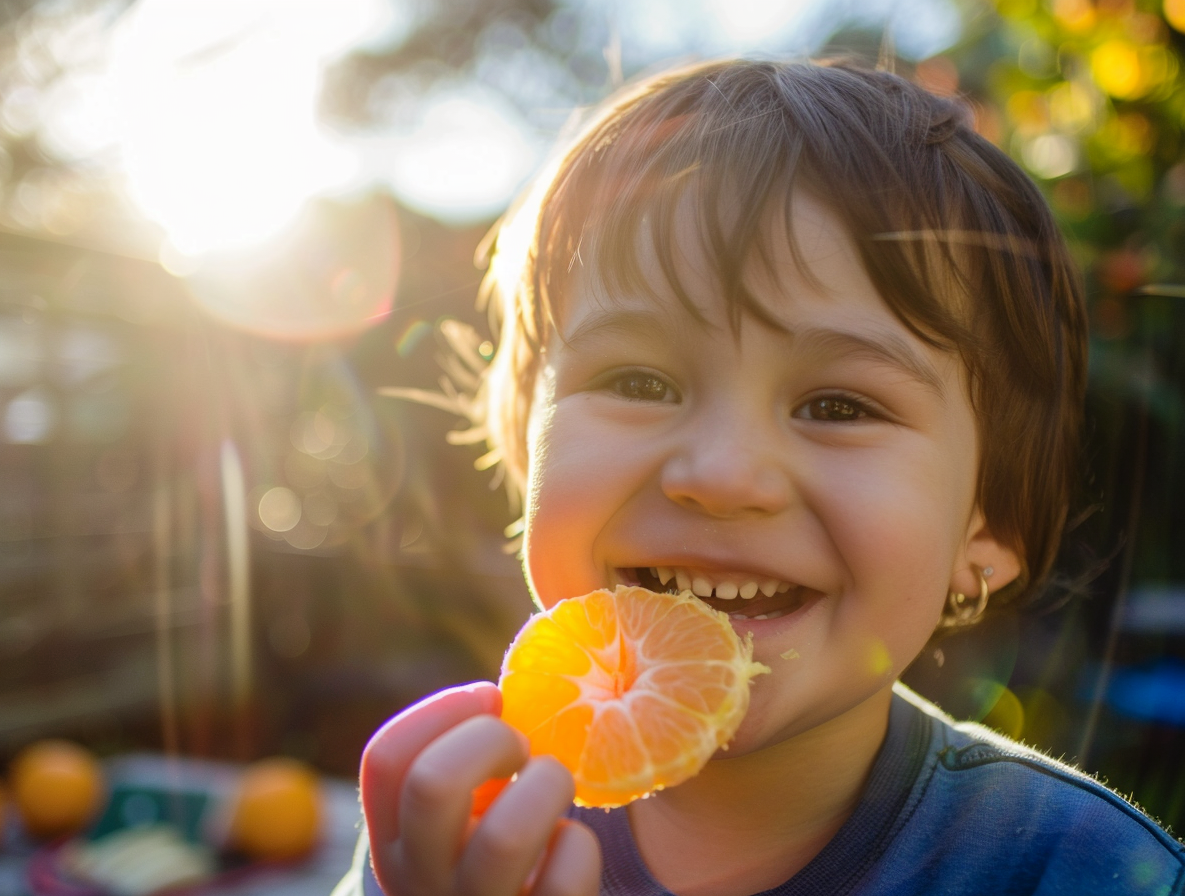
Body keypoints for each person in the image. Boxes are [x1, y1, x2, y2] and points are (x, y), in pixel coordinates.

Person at [334, 58, 1185, 896]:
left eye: (838, 406)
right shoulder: (455, 836)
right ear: (530, 453)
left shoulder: (1075, 869)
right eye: (640, 383)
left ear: (989, 523)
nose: (722, 474)